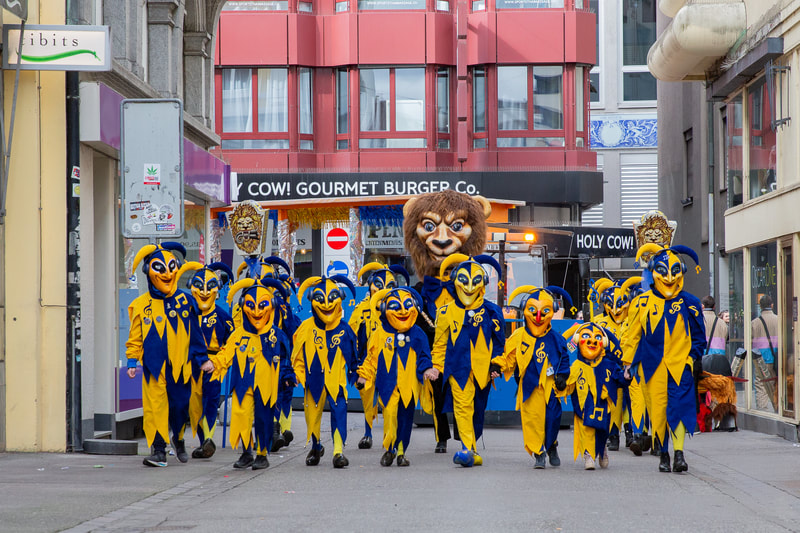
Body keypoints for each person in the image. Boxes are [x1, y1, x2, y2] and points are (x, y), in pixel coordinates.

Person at [621, 244, 706, 473]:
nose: (669, 278)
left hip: (681, 367)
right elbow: (632, 336)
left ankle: (679, 454)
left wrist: (692, 359)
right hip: (652, 367)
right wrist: (628, 364)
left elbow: (699, 337)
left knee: (679, 408)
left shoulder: (690, 302)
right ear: (653, 273)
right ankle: (664, 453)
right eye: (663, 272)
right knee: (658, 411)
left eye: (674, 271)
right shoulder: (642, 303)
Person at [125, 243, 211, 467]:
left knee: (179, 406)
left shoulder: (186, 301)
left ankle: (178, 439)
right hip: (154, 367)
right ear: (148, 272)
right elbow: (135, 337)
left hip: (181, 367)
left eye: (171, 268)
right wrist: (132, 360)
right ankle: (159, 450)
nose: (166, 274)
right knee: (155, 408)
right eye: (159, 268)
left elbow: (196, 334)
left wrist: (202, 359)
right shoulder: (141, 305)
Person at [427, 255, 505, 467]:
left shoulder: (492, 311)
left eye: (475, 282)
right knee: (462, 408)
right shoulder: (445, 312)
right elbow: (440, 344)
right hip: (457, 369)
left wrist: (497, 364)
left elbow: (500, 344)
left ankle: (472, 449)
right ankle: (467, 449)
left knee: (477, 410)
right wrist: (436, 367)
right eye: (464, 281)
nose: (469, 287)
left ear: (482, 284)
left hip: (483, 371)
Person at [214, 277, 294, 469]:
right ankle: (246, 453)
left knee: (263, 418)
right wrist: (214, 364)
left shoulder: (277, 335)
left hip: (266, 384)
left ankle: (262, 455)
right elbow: (226, 353)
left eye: (262, 306)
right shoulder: (238, 334)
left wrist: (287, 376)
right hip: (243, 382)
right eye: (251, 306)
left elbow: (285, 358)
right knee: (241, 415)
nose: (257, 312)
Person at [491, 285, 571, 469]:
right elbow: (508, 357)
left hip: (550, 386)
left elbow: (564, 358)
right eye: (533, 311)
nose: (538, 317)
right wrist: (497, 366)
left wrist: (562, 375)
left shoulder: (556, 338)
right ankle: (539, 453)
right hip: (529, 385)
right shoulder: (518, 336)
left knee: (553, 418)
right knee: (532, 420)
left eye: (544, 312)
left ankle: (551, 445)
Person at [356, 288, 433, 467]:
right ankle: (389, 449)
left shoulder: (418, 334)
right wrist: (364, 376)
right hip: (387, 384)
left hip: (409, 385)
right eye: (395, 307)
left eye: (407, 305)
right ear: (384, 309)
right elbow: (371, 359)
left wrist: (427, 368)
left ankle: (401, 452)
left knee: (405, 419)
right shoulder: (379, 334)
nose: (403, 311)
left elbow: (424, 356)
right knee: (390, 416)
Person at [292, 275, 358, 468]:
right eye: (320, 299)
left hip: (336, 381)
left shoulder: (345, 330)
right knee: (312, 414)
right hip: (313, 380)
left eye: (332, 298)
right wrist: (296, 374)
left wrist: (359, 375)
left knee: (339, 411)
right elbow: (297, 357)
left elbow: (354, 359)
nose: (327, 304)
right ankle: (316, 446)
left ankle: (338, 452)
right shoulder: (305, 328)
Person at [349, 262, 409, 450]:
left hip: (390, 359)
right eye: (379, 285)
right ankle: (367, 433)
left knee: (389, 398)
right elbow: (352, 333)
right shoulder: (361, 308)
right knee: (367, 397)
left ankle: (391, 436)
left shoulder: (397, 307)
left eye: (389, 285)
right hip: (367, 359)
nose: (383, 289)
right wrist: (354, 360)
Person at [558, 323, 630, 469]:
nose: (592, 341)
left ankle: (602, 450)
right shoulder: (577, 366)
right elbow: (567, 385)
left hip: (603, 406)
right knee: (586, 429)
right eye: (586, 336)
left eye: (597, 337)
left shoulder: (609, 364)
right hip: (583, 406)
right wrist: (560, 383)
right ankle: (588, 455)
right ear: (578, 340)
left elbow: (619, 379)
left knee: (602, 430)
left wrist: (626, 376)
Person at [184, 262, 236, 459]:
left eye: (210, 286)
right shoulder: (185, 313)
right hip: (190, 364)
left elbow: (232, 343)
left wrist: (220, 361)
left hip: (214, 364)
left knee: (211, 401)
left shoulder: (224, 317)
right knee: (194, 404)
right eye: (199, 286)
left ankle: (208, 439)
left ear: (217, 289)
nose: (205, 292)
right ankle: (202, 442)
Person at [751, 295, 779, 411]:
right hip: (776, 358)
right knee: (776, 383)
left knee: (761, 384)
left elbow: (750, 341)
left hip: (760, 359)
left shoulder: (754, 323)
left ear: (760, 306)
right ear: (772, 305)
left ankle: (762, 410)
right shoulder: (779, 320)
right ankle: (778, 408)